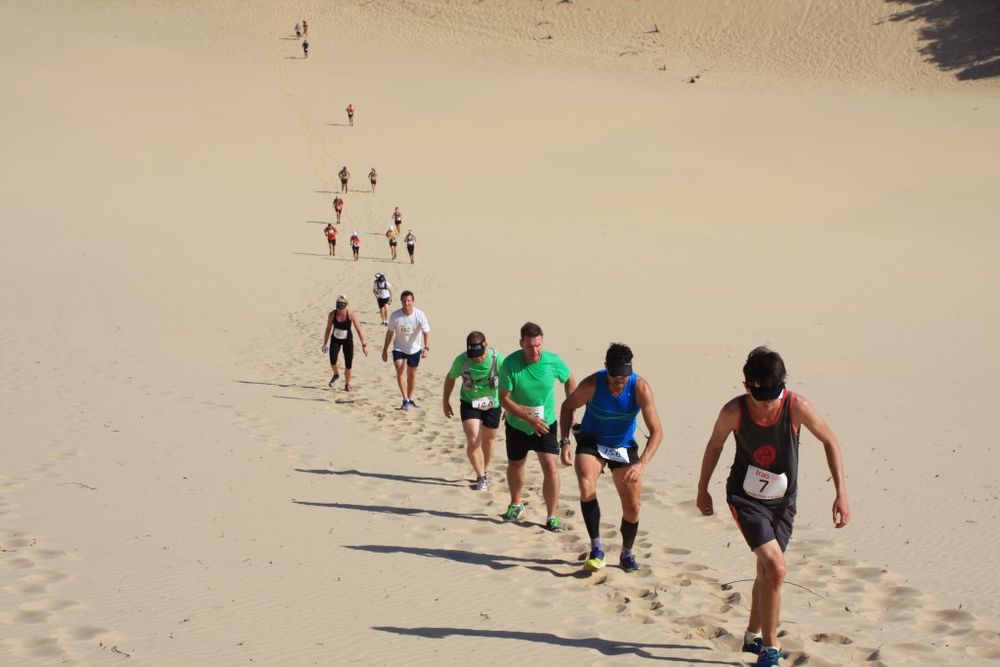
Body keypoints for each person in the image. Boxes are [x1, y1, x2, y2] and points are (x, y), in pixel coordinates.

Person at [696, 346, 850, 667]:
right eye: (761, 396)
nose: (768, 404)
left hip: (783, 504)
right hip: (746, 498)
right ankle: (770, 649)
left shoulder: (796, 407)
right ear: (747, 386)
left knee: (767, 571)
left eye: (774, 395)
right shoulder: (734, 412)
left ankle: (753, 635)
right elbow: (715, 445)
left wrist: (841, 493)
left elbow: (830, 440)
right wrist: (703, 489)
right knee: (777, 568)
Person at [559, 343, 663, 572]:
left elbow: (657, 432)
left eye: (624, 376)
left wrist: (641, 464)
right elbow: (567, 407)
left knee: (633, 507)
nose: (620, 381)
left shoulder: (640, 388)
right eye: (615, 376)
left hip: (623, 446)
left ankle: (627, 552)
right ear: (606, 368)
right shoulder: (591, 384)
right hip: (592, 441)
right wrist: (565, 441)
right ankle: (596, 548)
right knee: (586, 483)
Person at [498, 322, 575, 530]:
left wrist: (571, 405)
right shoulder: (510, 364)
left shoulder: (553, 361)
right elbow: (503, 399)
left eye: (538, 345)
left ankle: (551, 516)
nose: (535, 350)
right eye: (530, 346)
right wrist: (527, 418)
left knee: (550, 467)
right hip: (517, 425)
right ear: (521, 343)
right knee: (516, 464)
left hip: (546, 423)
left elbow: (569, 380)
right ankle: (516, 503)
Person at [443, 332, 505, 491]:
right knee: (473, 439)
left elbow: (510, 382)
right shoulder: (462, 360)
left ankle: (484, 469)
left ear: (486, 345)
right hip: (470, 403)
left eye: (479, 354)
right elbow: (450, 378)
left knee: (488, 441)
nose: (477, 358)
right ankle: (481, 477)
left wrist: (511, 406)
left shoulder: (497, 359)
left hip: (493, 404)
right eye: (473, 355)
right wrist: (445, 401)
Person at [381, 291, 430, 411]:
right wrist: (385, 350)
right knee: (400, 371)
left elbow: (426, 332)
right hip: (399, 348)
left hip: (414, 349)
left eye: (409, 300)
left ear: (412, 301)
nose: (406, 303)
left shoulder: (419, 315)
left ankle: (410, 398)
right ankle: (405, 399)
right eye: (404, 301)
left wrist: (426, 348)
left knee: (412, 375)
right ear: (401, 301)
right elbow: (390, 333)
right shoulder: (395, 316)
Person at [321, 296, 369, 391]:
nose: (340, 311)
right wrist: (325, 343)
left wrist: (364, 345)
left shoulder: (350, 315)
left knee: (348, 364)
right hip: (335, 339)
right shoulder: (332, 314)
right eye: (338, 309)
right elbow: (328, 329)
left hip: (347, 340)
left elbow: (359, 330)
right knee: (333, 360)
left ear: (345, 307)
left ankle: (347, 384)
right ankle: (336, 374)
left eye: (341, 309)